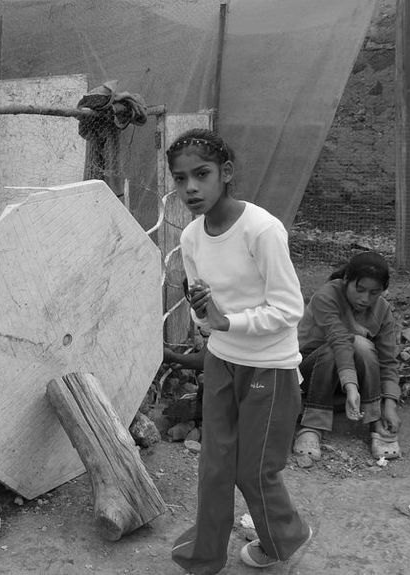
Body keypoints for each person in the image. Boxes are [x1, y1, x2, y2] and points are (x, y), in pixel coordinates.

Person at [167, 129, 312, 574]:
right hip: (222, 361)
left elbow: (290, 309)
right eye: (180, 178)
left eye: (202, 175)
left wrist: (231, 321)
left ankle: (285, 537)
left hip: (269, 366)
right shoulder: (191, 238)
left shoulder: (262, 230)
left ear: (225, 174)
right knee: (214, 466)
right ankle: (205, 553)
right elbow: (205, 314)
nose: (191, 188)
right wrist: (205, 315)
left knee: (254, 470)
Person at [292, 252, 401, 461]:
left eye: (374, 292)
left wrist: (390, 405)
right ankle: (312, 425)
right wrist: (351, 386)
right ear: (346, 281)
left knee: (363, 347)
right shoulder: (327, 296)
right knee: (352, 342)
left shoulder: (383, 310)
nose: (365, 299)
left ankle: (375, 420)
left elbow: (387, 361)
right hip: (309, 375)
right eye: (359, 290)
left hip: (349, 390)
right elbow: (339, 339)